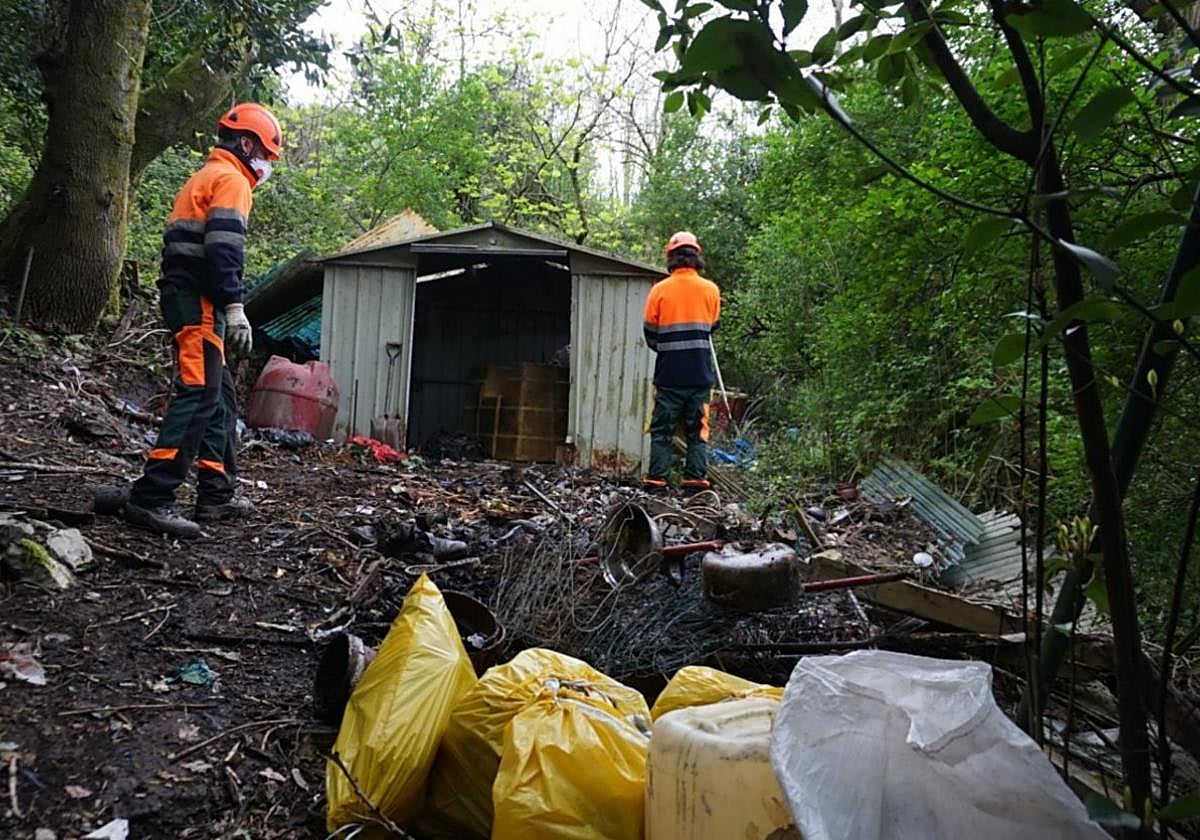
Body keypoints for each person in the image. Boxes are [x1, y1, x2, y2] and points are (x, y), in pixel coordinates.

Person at [95, 103, 282, 538]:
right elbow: (223, 249)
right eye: (267, 156)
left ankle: (215, 494)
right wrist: (234, 306)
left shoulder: (208, 175)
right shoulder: (232, 179)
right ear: (247, 143)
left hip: (194, 298)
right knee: (199, 393)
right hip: (197, 299)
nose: (267, 167)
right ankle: (151, 497)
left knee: (221, 398)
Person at [641, 231, 721, 493]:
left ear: (671, 257)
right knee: (697, 432)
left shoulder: (659, 291)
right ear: (696, 256)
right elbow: (712, 328)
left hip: (669, 376)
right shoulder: (711, 290)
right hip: (699, 375)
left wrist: (667, 349)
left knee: (662, 431)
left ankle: (656, 483)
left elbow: (650, 335)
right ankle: (695, 483)